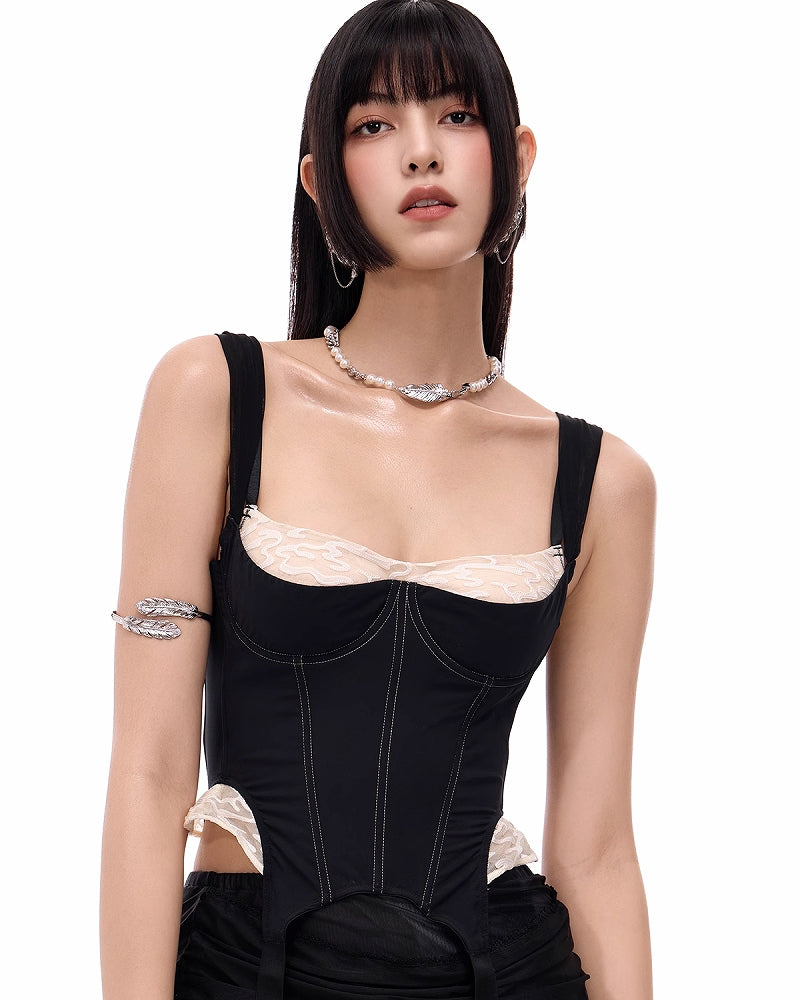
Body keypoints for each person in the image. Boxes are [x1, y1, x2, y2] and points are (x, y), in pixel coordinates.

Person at [99, 1, 655, 997]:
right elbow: (148, 776)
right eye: (373, 123)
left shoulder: (603, 480)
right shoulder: (212, 393)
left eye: (456, 115)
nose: (419, 151)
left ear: (517, 157)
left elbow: (599, 847)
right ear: (320, 181)